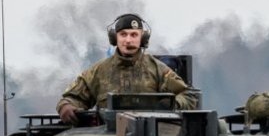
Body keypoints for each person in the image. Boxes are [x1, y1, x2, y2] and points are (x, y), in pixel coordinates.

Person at [56, 13, 199, 124]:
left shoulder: (158, 69)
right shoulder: (98, 71)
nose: (128, 40)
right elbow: (71, 98)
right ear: (114, 38)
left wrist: (170, 106)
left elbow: (189, 95)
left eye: (134, 35)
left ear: (142, 39)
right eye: (123, 34)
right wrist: (67, 107)